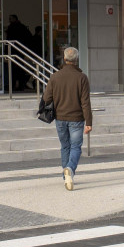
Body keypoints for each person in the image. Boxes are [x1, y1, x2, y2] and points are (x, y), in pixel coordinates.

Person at [41, 46, 92, 191]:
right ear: (76, 60)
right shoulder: (82, 78)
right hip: (76, 118)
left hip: (60, 117)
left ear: (64, 59)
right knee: (76, 147)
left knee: (65, 146)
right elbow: (85, 102)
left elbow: (46, 98)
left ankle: (66, 176)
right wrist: (89, 122)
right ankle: (70, 169)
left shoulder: (55, 77)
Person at [6, 14, 32, 91]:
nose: (9, 20)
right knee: (20, 68)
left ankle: (14, 85)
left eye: (10, 19)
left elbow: (8, 39)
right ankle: (20, 85)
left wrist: (6, 51)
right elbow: (29, 36)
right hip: (19, 50)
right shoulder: (22, 27)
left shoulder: (12, 27)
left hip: (14, 50)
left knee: (14, 69)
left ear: (14, 19)